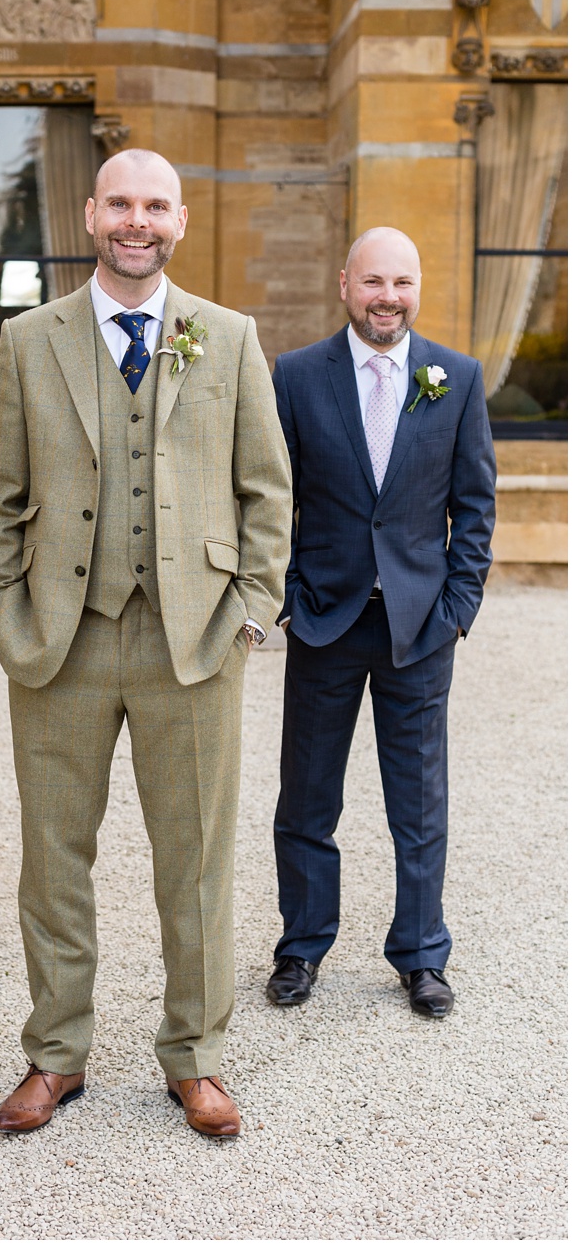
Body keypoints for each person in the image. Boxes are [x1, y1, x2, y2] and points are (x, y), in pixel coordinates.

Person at [0, 149, 293, 1137]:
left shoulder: (228, 337)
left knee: (192, 861)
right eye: (120, 201)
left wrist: (249, 606)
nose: (136, 220)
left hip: (193, 637)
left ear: (179, 219)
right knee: (51, 858)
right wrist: (1, 606)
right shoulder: (28, 339)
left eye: (155, 204)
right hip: (58, 641)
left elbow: (265, 491)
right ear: (90, 210)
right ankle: (54, 1053)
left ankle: (192, 1056)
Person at [266, 226, 496, 1018]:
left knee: (419, 803)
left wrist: (457, 610)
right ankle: (300, 948)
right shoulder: (295, 376)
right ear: (344, 284)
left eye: (401, 283)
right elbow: (269, 496)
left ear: (417, 288)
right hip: (325, 620)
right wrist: (289, 593)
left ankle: (423, 954)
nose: (387, 297)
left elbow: (474, 505)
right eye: (373, 282)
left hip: (418, 629)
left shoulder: (456, 378)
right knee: (306, 801)